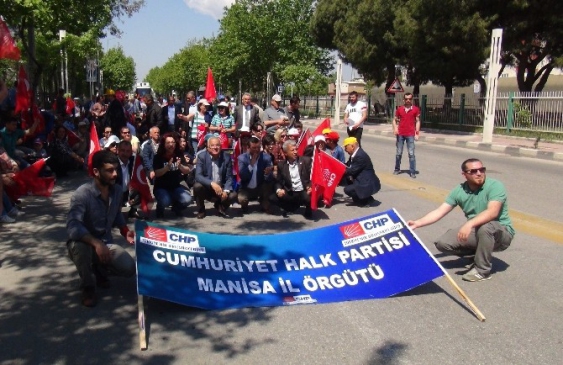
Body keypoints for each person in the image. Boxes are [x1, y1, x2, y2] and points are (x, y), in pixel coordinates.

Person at [407, 158, 514, 282]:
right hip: (478, 230)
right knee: (443, 243)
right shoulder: (460, 190)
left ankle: (482, 270)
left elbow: (492, 212)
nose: (479, 173)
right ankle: (477, 255)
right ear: (464, 174)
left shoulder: (495, 185)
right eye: (473, 171)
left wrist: (470, 224)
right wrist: (417, 223)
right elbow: (440, 211)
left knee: (486, 227)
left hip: (501, 233)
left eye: (482, 169)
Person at [66, 150, 136, 307]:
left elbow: (116, 213)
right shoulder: (82, 194)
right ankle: (88, 287)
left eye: (116, 169)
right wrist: (97, 244)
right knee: (79, 247)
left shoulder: (117, 190)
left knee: (129, 268)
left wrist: (125, 231)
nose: (115, 174)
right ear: (96, 172)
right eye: (110, 170)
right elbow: (73, 226)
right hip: (84, 242)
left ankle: (100, 269)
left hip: (106, 243)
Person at [193, 136, 237, 219]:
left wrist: (226, 191)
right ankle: (201, 209)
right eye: (212, 145)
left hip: (221, 188)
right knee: (197, 186)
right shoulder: (202, 156)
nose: (215, 147)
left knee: (233, 195)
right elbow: (198, 176)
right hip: (207, 188)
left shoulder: (226, 157)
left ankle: (220, 206)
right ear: (207, 147)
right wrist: (211, 183)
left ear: (221, 146)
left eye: (217, 145)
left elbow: (229, 177)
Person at [152, 133, 193, 218]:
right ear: (164, 144)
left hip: (175, 187)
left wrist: (180, 166)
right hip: (161, 188)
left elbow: (187, 170)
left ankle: (176, 208)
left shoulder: (178, 155)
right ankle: (160, 209)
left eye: (173, 142)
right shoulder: (158, 157)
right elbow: (156, 173)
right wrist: (166, 168)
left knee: (188, 199)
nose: (171, 145)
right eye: (168, 142)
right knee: (166, 201)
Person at [270, 139, 312, 219]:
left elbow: (313, 177)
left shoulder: (306, 161)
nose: (295, 152)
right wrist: (279, 190)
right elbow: (278, 181)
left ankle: (308, 207)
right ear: (286, 153)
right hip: (291, 191)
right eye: (292, 150)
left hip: (303, 190)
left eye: (296, 149)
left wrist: (310, 186)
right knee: (272, 198)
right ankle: (290, 207)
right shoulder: (281, 165)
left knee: (308, 198)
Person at [237, 136, 274, 214]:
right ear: (248, 148)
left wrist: (268, 173)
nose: (257, 150)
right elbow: (242, 176)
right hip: (246, 187)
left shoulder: (266, 158)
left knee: (271, 182)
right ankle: (245, 205)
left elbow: (269, 179)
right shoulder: (242, 158)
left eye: (258, 147)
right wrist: (251, 165)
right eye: (254, 148)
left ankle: (263, 200)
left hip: (259, 187)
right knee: (242, 199)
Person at [342, 137, 381, 207]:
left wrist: (340, 172)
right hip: (362, 179)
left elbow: (351, 171)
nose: (345, 150)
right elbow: (347, 165)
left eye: (346, 147)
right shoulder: (355, 154)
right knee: (346, 180)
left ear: (352, 146)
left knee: (347, 189)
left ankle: (365, 201)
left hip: (367, 183)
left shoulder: (360, 156)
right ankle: (359, 199)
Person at [393, 92, 421, 178]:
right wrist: (395, 128)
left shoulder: (415, 109)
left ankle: (412, 172)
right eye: (406, 99)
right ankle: (397, 169)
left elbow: (417, 121)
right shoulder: (400, 109)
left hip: (410, 134)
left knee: (411, 154)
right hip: (400, 134)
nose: (408, 100)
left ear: (412, 100)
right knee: (398, 153)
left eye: (409, 99)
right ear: (403, 100)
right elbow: (395, 120)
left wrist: (417, 133)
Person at [116, 140, 143, 220]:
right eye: (122, 151)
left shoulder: (134, 161)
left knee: (141, 188)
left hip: (128, 191)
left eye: (128, 151)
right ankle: (116, 212)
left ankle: (133, 210)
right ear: (118, 151)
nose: (125, 153)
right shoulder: (113, 162)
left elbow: (140, 176)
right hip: (116, 191)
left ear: (131, 152)